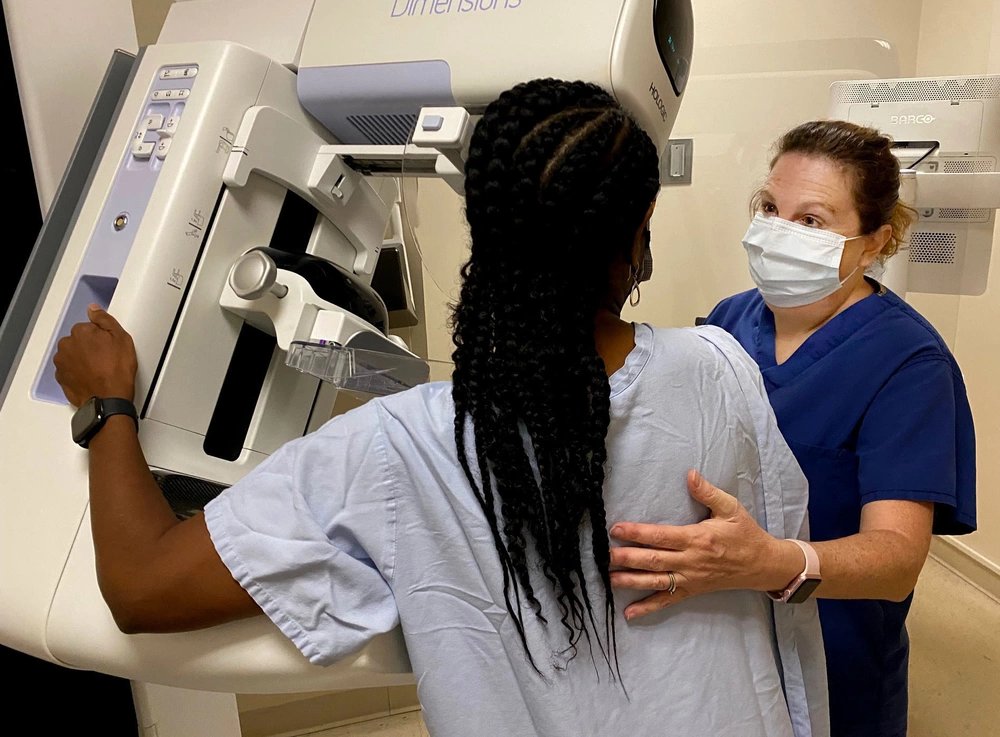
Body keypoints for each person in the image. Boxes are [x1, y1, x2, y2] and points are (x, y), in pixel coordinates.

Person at [53, 79, 829, 737]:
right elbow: (785, 597)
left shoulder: (399, 447)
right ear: (635, 243)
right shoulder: (724, 368)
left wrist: (108, 402)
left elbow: (140, 586)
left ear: (484, 231)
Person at [608, 120, 977, 737]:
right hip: (725, 634)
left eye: (812, 221)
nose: (780, 233)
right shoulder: (731, 318)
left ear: (873, 242)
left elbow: (895, 560)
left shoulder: (908, 363)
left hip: (839, 655)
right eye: (771, 209)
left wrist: (769, 563)